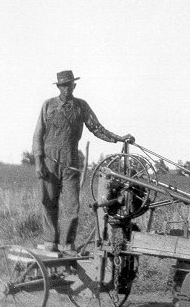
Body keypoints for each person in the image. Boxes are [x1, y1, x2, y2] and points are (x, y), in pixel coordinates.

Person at [32, 70, 134, 254]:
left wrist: (119, 138)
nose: (66, 88)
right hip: (48, 160)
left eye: (69, 85)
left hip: (71, 160)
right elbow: (38, 134)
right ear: (58, 87)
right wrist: (38, 161)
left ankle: (66, 244)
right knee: (48, 201)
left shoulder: (81, 106)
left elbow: (97, 128)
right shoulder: (48, 105)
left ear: (74, 86)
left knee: (72, 204)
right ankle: (50, 241)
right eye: (62, 85)